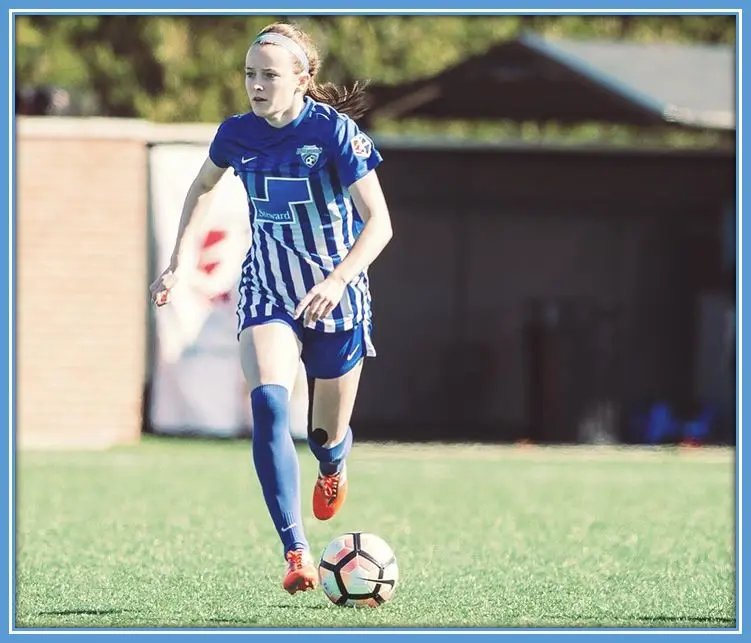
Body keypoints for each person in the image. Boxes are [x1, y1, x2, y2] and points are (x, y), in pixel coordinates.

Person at [149, 21, 394, 595]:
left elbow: (380, 224)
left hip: (337, 295)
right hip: (268, 289)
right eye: (249, 75)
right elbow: (203, 186)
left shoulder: (335, 132)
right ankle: (296, 551)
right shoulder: (236, 134)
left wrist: (337, 279)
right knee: (267, 404)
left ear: (303, 80)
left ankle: (333, 466)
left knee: (325, 434)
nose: (256, 86)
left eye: (269, 76)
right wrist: (179, 259)